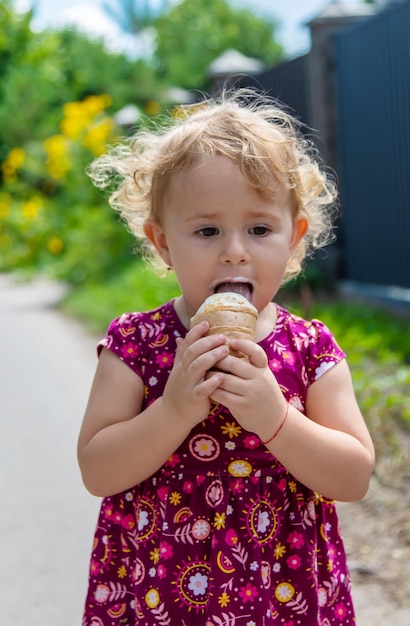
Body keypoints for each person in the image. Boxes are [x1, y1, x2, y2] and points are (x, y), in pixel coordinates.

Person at [78, 89, 375, 626]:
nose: (234, 249)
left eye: (260, 229)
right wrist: (171, 412)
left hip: (281, 594)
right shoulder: (137, 345)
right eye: (207, 230)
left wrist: (276, 418)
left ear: (293, 239)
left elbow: (353, 478)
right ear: (164, 244)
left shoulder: (310, 350)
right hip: (159, 594)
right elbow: (98, 469)